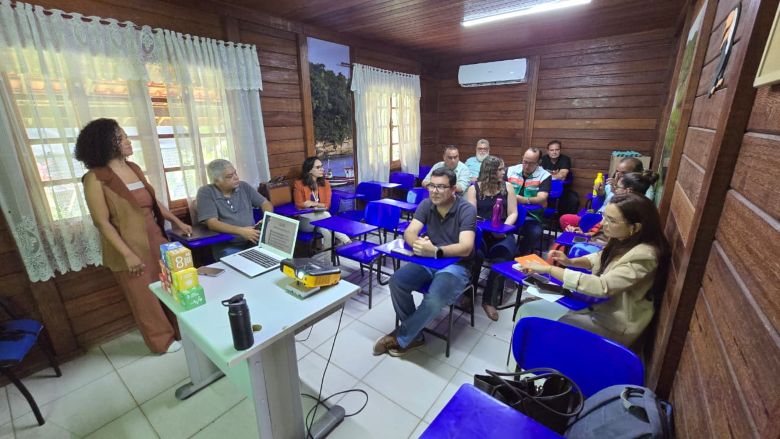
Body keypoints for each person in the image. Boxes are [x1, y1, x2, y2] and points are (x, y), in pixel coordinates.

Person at [76, 118, 188, 354]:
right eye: (123, 137)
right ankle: (162, 341)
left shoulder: (134, 168)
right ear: (108, 143)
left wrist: (177, 221)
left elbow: (152, 203)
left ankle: (181, 330)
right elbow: (101, 222)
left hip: (155, 237)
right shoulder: (94, 178)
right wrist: (127, 254)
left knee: (170, 286)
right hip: (126, 245)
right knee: (143, 297)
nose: (128, 141)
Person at [517, 192, 669, 348]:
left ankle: (541, 365)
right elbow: (598, 258)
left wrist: (549, 269)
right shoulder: (623, 239)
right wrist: (569, 261)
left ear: (635, 227)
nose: (603, 224)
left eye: (611, 220)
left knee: (543, 325)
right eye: (604, 216)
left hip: (615, 324)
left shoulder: (645, 256)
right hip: (599, 308)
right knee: (528, 310)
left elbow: (602, 286)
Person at [373, 167, 477, 357]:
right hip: (428, 260)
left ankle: (403, 336)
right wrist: (418, 244)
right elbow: (410, 232)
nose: (434, 191)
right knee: (397, 281)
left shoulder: (466, 209)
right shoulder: (426, 204)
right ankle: (416, 334)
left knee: (435, 298)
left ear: (453, 190)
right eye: (432, 186)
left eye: (441, 187)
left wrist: (436, 251)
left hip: (456, 265)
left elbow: (466, 247)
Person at [465, 156, 518, 321]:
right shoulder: (474, 189)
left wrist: (503, 229)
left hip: (501, 232)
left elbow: (513, 213)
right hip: (481, 231)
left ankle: (489, 300)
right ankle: (469, 293)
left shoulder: (507, 187)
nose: (504, 172)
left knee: (502, 257)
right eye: (501, 169)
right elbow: (471, 215)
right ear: (490, 171)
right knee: (475, 254)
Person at [197, 159, 274, 260]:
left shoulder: (243, 186)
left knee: (273, 258)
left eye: (235, 173)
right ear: (216, 181)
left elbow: (265, 203)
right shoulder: (206, 192)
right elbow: (212, 223)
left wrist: (267, 219)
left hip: (253, 239)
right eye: (230, 176)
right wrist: (241, 231)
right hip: (227, 246)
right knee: (242, 265)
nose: (236, 178)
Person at [565, 171, 659, 244]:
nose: (614, 189)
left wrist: (589, 238)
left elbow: (611, 243)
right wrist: (584, 234)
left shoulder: (628, 211)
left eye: (617, 187)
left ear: (628, 190)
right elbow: (601, 229)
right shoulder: (641, 204)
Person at [559, 157, 649, 232]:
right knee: (567, 219)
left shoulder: (640, 191)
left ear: (636, 174)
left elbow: (623, 213)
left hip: (609, 222)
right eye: (617, 171)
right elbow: (595, 208)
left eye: (624, 173)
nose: (618, 175)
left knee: (570, 220)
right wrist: (600, 194)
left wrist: (616, 190)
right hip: (599, 218)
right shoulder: (610, 184)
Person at [293, 157, 351, 248]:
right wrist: (316, 205)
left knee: (327, 233)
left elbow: (327, 205)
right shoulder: (299, 184)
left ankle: (327, 259)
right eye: (318, 167)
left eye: (322, 166)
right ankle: (347, 241)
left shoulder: (325, 184)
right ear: (309, 170)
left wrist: (313, 203)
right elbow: (299, 204)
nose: (322, 169)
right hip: (305, 221)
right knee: (326, 214)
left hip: (321, 219)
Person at [506, 148, 551, 256]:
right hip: (508, 211)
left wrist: (525, 200)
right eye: (525, 161)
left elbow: (542, 197)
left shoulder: (544, 175)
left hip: (531, 215)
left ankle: (520, 256)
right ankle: (504, 252)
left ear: (538, 163)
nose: (526, 166)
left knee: (535, 232)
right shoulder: (511, 170)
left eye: (531, 163)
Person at [541, 140, 579, 215]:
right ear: (548, 151)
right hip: (545, 188)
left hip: (562, 188)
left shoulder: (565, 159)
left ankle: (564, 223)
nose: (554, 152)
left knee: (574, 199)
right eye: (551, 150)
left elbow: (562, 176)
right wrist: (555, 175)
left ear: (560, 150)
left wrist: (547, 175)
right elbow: (537, 175)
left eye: (557, 150)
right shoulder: (543, 159)